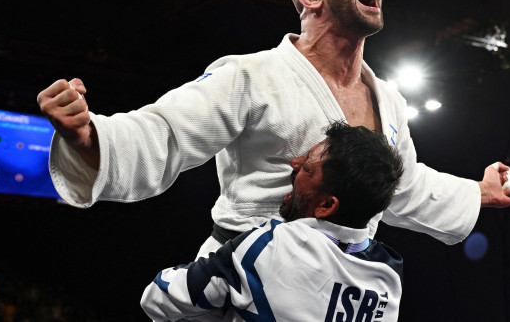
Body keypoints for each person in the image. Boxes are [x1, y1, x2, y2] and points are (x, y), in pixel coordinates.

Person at [36, 0, 510, 259]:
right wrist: (89, 134)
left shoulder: (389, 99)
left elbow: (399, 184)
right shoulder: (251, 74)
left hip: (340, 284)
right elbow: (167, 133)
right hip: (248, 274)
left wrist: (476, 192)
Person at [141, 122, 405, 322]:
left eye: (308, 168)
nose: (295, 163)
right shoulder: (390, 275)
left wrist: (222, 252)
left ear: (326, 206)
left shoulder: (272, 245)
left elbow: (158, 297)